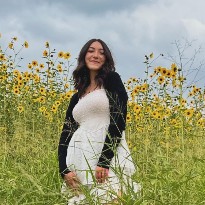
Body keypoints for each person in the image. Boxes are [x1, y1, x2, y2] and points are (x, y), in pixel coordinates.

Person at [58, 39, 140, 204]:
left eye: (101, 52)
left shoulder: (112, 80)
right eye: (91, 51)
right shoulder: (77, 96)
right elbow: (66, 134)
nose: (96, 55)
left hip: (106, 156)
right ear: (84, 56)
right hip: (79, 159)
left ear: (106, 59)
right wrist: (64, 170)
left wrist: (104, 160)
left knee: (111, 198)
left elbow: (119, 119)